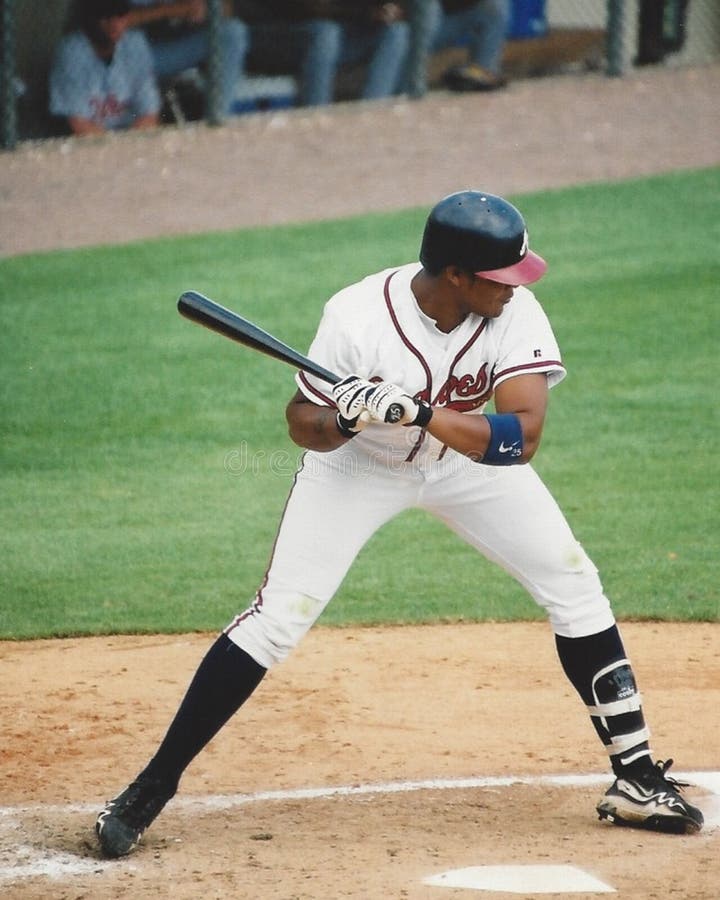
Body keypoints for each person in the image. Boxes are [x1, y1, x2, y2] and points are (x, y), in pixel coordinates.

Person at [95, 189, 704, 858]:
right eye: (500, 278)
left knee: (574, 583)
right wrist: (348, 419)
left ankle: (635, 779)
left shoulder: (514, 311)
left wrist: (418, 414)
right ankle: (151, 787)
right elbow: (303, 425)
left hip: (467, 465)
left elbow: (521, 437)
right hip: (357, 471)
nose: (514, 289)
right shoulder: (356, 316)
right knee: (279, 617)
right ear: (455, 276)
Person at [236, 1, 410, 107]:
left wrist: (387, 9)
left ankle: (372, 112)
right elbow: (310, 9)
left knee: (396, 32)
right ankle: (318, 113)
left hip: (332, 37)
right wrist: (366, 13)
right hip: (271, 37)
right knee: (325, 33)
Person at [49, 0, 161, 136]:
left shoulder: (135, 44)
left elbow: (149, 113)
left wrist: (131, 147)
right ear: (89, 19)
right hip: (89, 143)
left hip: (130, 137)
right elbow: (80, 124)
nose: (114, 23)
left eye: (120, 15)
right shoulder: (72, 52)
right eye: (105, 16)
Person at [127, 1, 249, 117]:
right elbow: (115, 21)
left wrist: (206, 10)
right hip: (133, 54)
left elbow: (228, 9)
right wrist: (174, 9)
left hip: (174, 49)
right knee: (132, 41)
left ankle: (218, 119)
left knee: (232, 32)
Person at [422, 0, 510, 92]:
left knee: (494, 5)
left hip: (447, 19)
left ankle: (480, 71)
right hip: (417, 27)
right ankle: (410, 80)